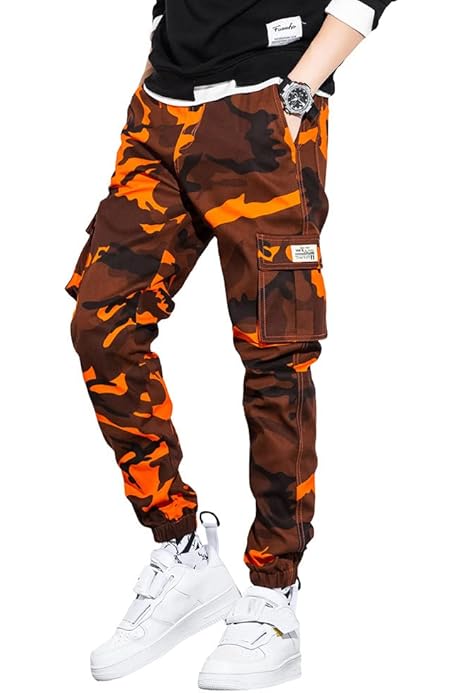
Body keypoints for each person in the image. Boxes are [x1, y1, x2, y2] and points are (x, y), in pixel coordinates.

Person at [64, 1, 396, 688]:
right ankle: (182, 550)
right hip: (161, 107)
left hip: (267, 107)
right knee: (102, 325)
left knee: (276, 353)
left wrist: (299, 91)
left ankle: (274, 596)